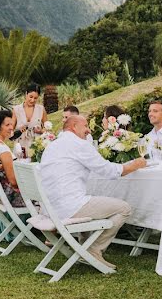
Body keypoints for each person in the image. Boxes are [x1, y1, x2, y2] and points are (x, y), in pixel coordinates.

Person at [40, 115, 147, 270]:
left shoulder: (52, 146)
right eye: (85, 126)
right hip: (68, 208)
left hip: (50, 209)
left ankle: (84, 248)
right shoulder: (78, 144)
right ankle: (92, 250)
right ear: (74, 126)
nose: (88, 130)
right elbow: (108, 171)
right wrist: (135, 165)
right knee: (124, 208)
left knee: (89, 199)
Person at [11, 83, 46, 158]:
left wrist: (41, 131)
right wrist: (19, 130)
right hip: (20, 147)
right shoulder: (16, 109)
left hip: (36, 146)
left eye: (35, 98)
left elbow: (49, 131)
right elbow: (10, 130)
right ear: (26, 94)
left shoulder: (41, 109)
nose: (33, 100)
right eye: (31, 97)